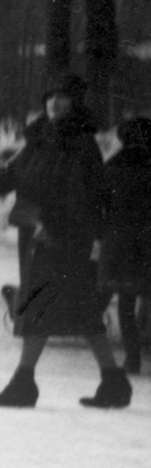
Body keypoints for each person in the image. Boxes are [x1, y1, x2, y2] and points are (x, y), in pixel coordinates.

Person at [0, 84, 132, 410]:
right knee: (81, 311)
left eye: (63, 97)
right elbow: (16, 174)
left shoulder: (81, 144)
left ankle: (25, 383)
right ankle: (113, 380)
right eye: (50, 96)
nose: (55, 103)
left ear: (74, 103)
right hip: (41, 234)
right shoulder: (38, 140)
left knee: (43, 306)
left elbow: (84, 194)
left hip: (66, 238)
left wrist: (52, 220)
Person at [102, 115, 151, 376]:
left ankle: (132, 358)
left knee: (126, 301)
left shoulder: (113, 166)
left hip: (120, 244)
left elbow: (99, 206)